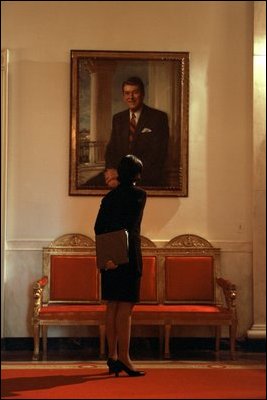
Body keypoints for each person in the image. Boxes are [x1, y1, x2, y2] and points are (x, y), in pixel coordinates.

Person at [94, 154, 147, 377]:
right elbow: (131, 225)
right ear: (136, 175)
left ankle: (113, 356)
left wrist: (108, 258)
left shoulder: (109, 198)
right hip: (128, 255)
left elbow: (98, 228)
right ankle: (125, 359)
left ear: (119, 173)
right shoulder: (139, 195)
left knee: (112, 306)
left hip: (109, 257)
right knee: (125, 309)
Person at [84, 76, 169, 188]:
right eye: (127, 93)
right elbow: (111, 150)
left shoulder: (158, 118)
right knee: (86, 186)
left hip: (144, 176)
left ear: (143, 94)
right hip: (116, 174)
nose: (131, 97)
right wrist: (111, 171)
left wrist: (122, 175)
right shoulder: (118, 118)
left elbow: (156, 157)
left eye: (135, 93)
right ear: (123, 96)